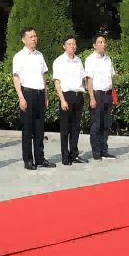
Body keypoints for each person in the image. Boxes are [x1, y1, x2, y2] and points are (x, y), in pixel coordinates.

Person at [12, 27, 55, 170]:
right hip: (27, 94)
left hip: (39, 94)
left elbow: (43, 77)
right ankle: (28, 160)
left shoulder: (39, 55)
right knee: (28, 130)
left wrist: (46, 96)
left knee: (39, 129)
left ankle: (40, 158)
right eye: (30, 36)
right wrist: (21, 97)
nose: (34, 39)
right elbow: (16, 77)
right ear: (23, 39)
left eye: (35, 36)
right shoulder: (19, 56)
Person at [52, 36, 88, 165]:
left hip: (79, 96)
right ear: (64, 46)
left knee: (76, 127)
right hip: (66, 96)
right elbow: (57, 82)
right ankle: (65, 156)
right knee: (65, 128)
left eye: (74, 44)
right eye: (69, 44)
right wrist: (62, 100)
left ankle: (74, 154)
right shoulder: (59, 61)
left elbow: (83, 79)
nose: (72, 46)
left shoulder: (79, 61)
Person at [85, 35, 117, 160]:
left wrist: (113, 96)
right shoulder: (90, 60)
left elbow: (111, 77)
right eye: (100, 42)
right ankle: (96, 151)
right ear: (94, 45)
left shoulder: (108, 59)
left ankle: (104, 149)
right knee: (96, 124)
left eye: (104, 42)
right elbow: (89, 80)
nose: (103, 44)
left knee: (106, 123)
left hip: (107, 94)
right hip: (97, 95)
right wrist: (92, 97)